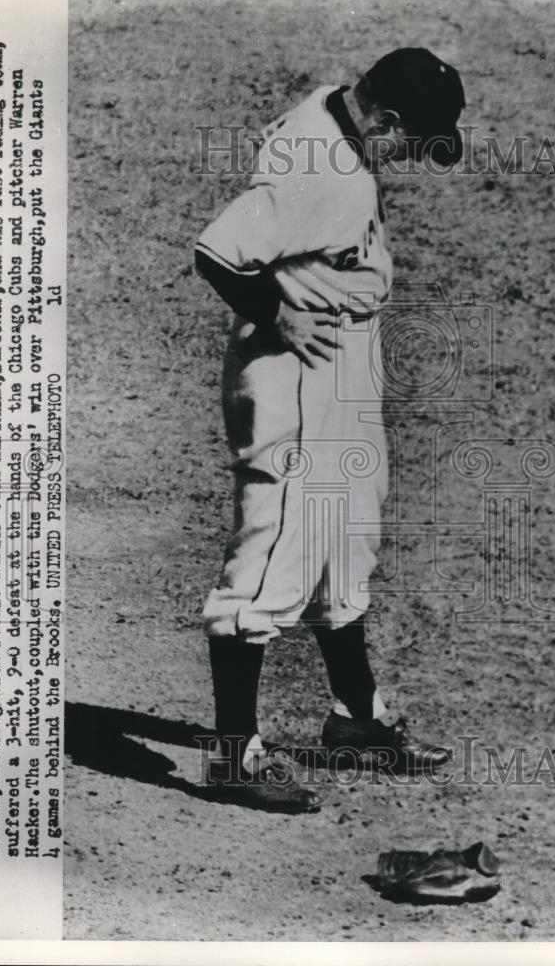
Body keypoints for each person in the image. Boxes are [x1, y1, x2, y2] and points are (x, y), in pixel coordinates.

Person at [194, 48, 466, 813]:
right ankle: (231, 757)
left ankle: (355, 722)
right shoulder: (320, 169)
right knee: (277, 551)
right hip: (297, 374)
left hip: (345, 359)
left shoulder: (340, 117)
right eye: (410, 141)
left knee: (347, 542)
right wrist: (277, 312)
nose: (413, 158)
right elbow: (218, 250)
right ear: (380, 121)